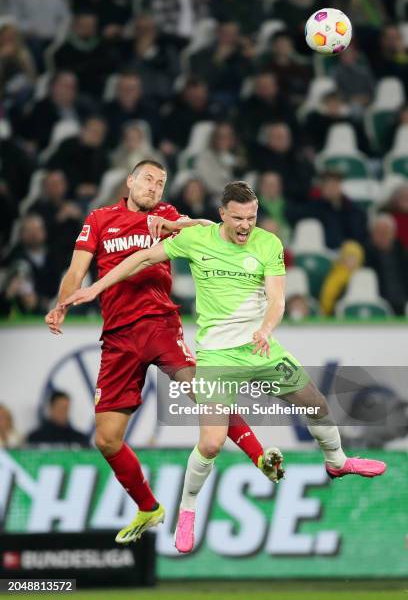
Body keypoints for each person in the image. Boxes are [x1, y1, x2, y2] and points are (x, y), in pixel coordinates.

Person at [62, 180, 387, 555]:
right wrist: (96, 287)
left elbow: (277, 299)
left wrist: (265, 329)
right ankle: (187, 511)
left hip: (261, 348)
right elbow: (142, 258)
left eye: (251, 217)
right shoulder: (198, 240)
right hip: (217, 356)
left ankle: (337, 462)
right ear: (222, 215)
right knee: (212, 443)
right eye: (238, 218)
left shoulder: (268, 244)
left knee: (316, 405)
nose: (246, 225)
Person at [46, 161, 282, 545]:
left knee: (206, 392)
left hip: (159, 324)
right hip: (118, 337)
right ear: (130, 181)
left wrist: (178, 225)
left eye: (161, 182)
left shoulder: (166, 215)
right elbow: (76, 272)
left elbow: (212, 228)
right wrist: (62, 304)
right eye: (148, 179)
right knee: (106, 439)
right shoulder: (100, 218)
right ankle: (148, 507)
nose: (154, 187)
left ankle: (259, 456)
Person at [320, 240, 365, 316]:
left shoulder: (362, 277)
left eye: (355, 258)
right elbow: (327, 297)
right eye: (349, 257)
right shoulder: (335, 276)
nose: (352, 261)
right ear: (343, 258)